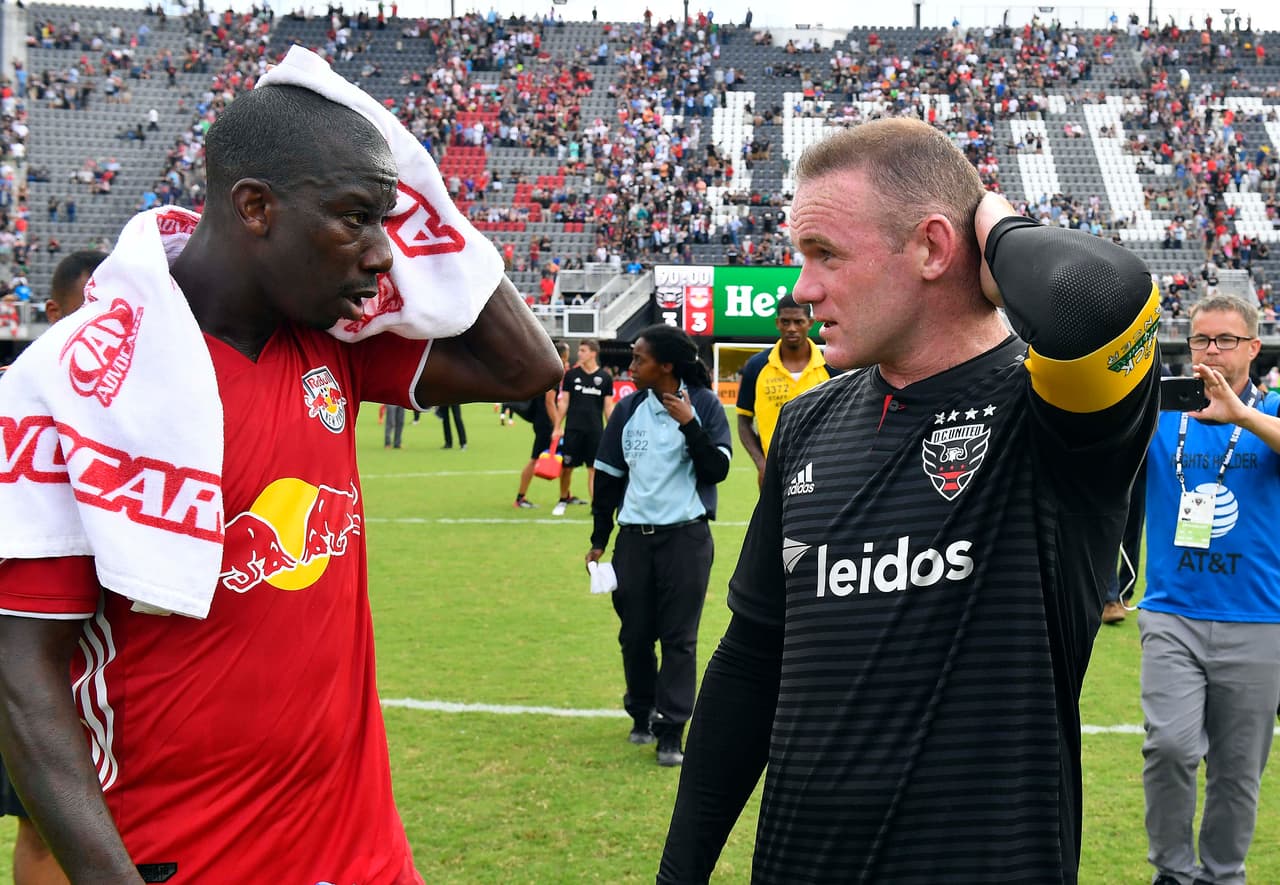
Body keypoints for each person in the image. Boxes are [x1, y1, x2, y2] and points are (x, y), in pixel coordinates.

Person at [0, 84, 561, 882]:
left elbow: (526, 366)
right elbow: (22, 669)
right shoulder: (80, 381)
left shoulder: (332, 341)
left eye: (385, 220)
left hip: (363, 853)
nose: (383, 253)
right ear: (256, 208)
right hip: (187, 856)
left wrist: (407, 168)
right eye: (355, 218)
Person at [658, 118, 1159, 883]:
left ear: (932, 247)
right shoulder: (808, 422)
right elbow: (753, 660)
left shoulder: (1050, 416)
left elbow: (1101, 298)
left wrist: (990, 220)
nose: (802, 288)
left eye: (826, 253)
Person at [1138, 293, 1280, 885]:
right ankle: (1172, 873)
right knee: (1169, 748)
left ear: (1254, 347)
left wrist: (1242, 416)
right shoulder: (1160, 412)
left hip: (1259, 618)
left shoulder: (1272, 409)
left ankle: (1223, 875)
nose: (1212, 350)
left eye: (1226, 339)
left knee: (1237, 770)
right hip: (1172, 612)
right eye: (1201, 339)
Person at [0, 249, 103, 885]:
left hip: (111, 657)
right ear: (53, 311)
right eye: (86, 309)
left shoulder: (135, 400)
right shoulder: (17, 397)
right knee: (43, 825)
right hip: (29, 653)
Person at [586, 325, 731, 766]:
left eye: (639, 359)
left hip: (685, 540)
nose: (631, 366)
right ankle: (641, 712)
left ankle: (671, 730)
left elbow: (716, 470)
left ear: (666, 366)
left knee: (678, 639)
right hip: (633, 541)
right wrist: (599, 539)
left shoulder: (704, 404)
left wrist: (690, 425)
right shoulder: (628, 409)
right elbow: (608, 478)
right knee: (634, 636)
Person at [736, 292, 839, 487]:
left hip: (821, 473)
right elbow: (743, 420)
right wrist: (762, 464)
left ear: (810, 323)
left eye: (798, 322)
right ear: (777, 323)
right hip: (774, 474)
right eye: (785, 322)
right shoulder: (756, 366)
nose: (791, 328)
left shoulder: (832, 367)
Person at [553, 339, 614, 515]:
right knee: (567, 467)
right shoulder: (571, 376)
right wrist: (557, 426)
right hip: (573, 430)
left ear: (593, 353)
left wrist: (613, 429)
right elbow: (564, 402)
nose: (579, 353)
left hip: (595, 431)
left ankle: (595, 505)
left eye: (583, 350)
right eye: (579, 350)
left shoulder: (605, 378)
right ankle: (563, 499)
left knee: (593, 469)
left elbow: (608, 406)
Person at [515, 341, 570, 508]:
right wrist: (557, 425)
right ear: (563, 356)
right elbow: (549, 402)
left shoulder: (545, 368)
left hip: (541, 420)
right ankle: (520, 498)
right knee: (535, 459)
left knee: (564, 457)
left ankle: (566, 494)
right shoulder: (554, 371)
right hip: (545, 423)